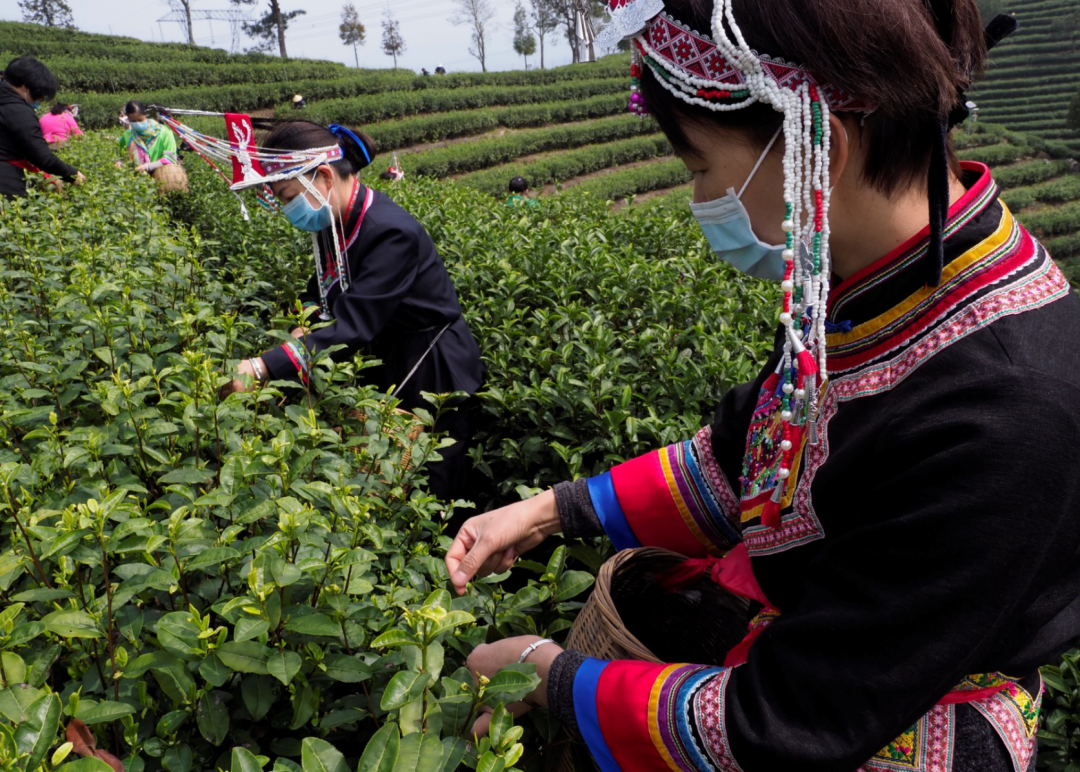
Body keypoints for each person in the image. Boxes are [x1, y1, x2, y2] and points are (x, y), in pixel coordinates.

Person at [446, 1, 1080, 771]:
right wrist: (549, 512)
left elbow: (786, 724)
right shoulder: (870, 282)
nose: (699, 200)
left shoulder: (1008, 410)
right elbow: (752, 454)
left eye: (702, 168)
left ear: (824, 146)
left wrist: (548, 676)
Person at [222, 120, 485, 502]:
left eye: (288, 196)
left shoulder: (389, 232)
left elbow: (353, 325)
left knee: (431, 482)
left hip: (433, 369)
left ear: (324, 176)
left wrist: (263, 367)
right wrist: (306, 324)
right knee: (384, 472)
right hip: (389, 358)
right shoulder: (334, 221)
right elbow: (319, 290)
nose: (286, 208)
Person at [0, 56, 84, 198]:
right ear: (25, 87)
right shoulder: (19, 112)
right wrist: (72, 174)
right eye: (38, 94)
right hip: (7, 185)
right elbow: (41, 157)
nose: (39, 100)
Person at [117, 100, 179, 175]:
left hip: (162, 177)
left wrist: (148, 166)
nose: (137, 123)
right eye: (133, 121)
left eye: (140, 120)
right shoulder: (127, 135)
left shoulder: (164, 132)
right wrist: (119, 163)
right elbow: (123, 157)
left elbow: (170, 158)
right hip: (137, 179)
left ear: (145, 116)